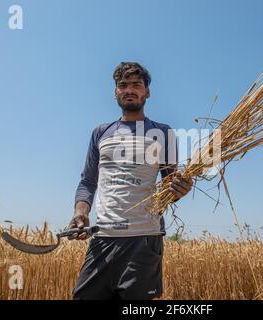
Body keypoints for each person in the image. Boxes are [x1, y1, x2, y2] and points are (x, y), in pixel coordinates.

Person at [68, 62, 193, 300]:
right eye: (122, 85)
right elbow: (87, 182)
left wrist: (181, 188)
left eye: (136, 84)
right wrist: (80, 212)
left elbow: (170, 185)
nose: (129, 90)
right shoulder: (101, 133)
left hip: (144, 240)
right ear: (115, 91)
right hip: (103, 238)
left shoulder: (163, 132)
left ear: (147, 91)